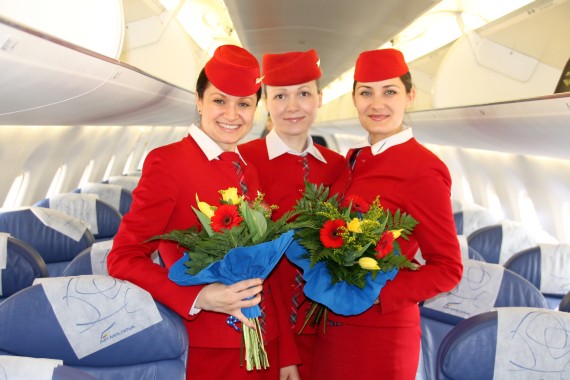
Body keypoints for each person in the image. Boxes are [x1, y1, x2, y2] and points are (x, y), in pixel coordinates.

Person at [107, 44, 300, 380]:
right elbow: (123, 257)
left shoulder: (249, 170)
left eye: (243, 104)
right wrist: (200, 295)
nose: (231, 114)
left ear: (255, 108)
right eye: (219, 100)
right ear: (199, 102)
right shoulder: (168, 163)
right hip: (210, 351)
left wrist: (286, 354)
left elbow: (266, 275)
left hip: (265, 345)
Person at [310, 48, 463, 379]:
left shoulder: (423, 169)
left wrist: (374, 294)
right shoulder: (351, 161)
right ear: (354, 98)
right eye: (366, 92)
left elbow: (448, 268)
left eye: (389, 91)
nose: (376, 104)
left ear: (410, 96)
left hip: (381, 336)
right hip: (331, 333)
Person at [239, 49, 350, 379]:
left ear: (320, 97)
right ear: (265, 102)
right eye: (280, 96)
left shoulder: (337, 166)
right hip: (265, 331)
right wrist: (285, 350)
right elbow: (250, 264)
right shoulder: (243, 161)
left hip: (328, 329)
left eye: (304, 93)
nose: (292, 107)